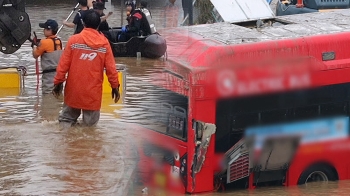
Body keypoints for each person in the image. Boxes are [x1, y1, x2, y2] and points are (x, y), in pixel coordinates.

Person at [52, 9, 120, 127]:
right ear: (99, 24)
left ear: (83, 23)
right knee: (90, 129)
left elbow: (63, 65)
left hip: (74, 91)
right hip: (93, 94)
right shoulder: (104, 44)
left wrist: (58, 83)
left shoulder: (74, 40)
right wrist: (115, 87)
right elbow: (111, 69)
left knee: (66, 121)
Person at [32, 19, 63, 94]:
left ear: (49, 30)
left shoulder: (44, 42)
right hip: (59, 75)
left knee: (48, 96)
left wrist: (34, 46)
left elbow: (35, 55)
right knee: (58, 95)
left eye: (45, 28)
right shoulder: (59, 41)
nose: (43, 30)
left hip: (49, 76)